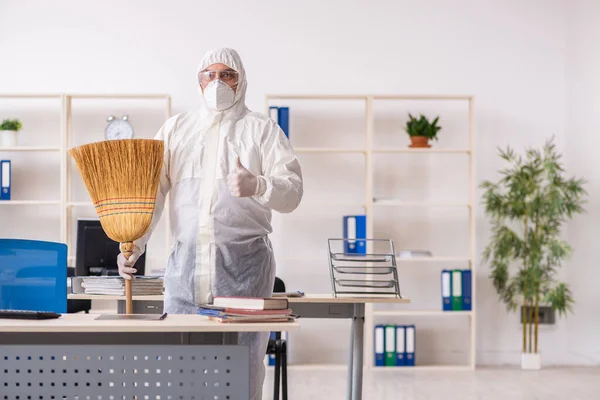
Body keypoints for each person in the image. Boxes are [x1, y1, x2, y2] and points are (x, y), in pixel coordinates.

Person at [116, 47, 303, 400]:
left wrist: (259, 185)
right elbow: (150, 194)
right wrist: (134, 244)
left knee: (242, 370)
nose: (218, 82)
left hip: (244, 269)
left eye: (227, 74)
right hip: (185, 268)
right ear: (198, 81)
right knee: (178, 370)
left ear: (241, 80)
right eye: (210, 74)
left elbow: (292, 193)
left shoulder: (262, 130)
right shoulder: (175, 130)